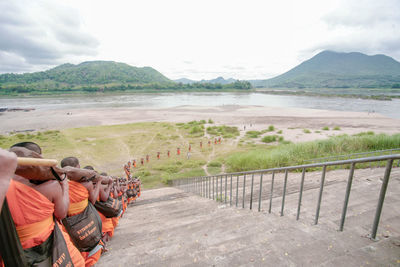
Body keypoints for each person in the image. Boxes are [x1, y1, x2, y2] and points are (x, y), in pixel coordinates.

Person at [7, 146, 85, 266]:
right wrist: (65, 185)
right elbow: (61, 213)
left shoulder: (5, 189)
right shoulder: (51, 186)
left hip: (16, 255)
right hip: (55, 245)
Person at [60, 157, 105, 267]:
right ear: (78, 167)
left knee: (76, 249)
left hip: (69, 226)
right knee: (90, 250)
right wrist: (98, 182)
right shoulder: (87, 184)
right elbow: (93, 200)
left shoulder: (60, 185)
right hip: (87, 222)